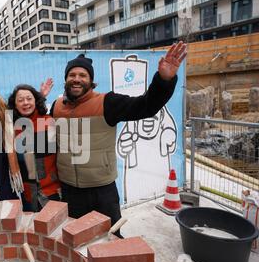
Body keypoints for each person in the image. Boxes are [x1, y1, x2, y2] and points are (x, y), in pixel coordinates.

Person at [50, 42, 187, 237]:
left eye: (82, 75)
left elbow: (146, 105)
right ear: (66, 79)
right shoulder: (56, 107)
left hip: (101, 190)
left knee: (110, 239)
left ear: (91, 80)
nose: (76, 79)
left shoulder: (107, 102)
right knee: (76, 238)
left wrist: (164, 80)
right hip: (70, 190)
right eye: (72, 75)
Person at [8, 81, 61, 212]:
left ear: (35, 101)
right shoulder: (11, 128)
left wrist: (41, 96)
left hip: (53, 190)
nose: (25, 103)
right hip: (28, 194)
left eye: (29, 99)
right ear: (15, 105)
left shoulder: (49, 121)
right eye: (20, 100)